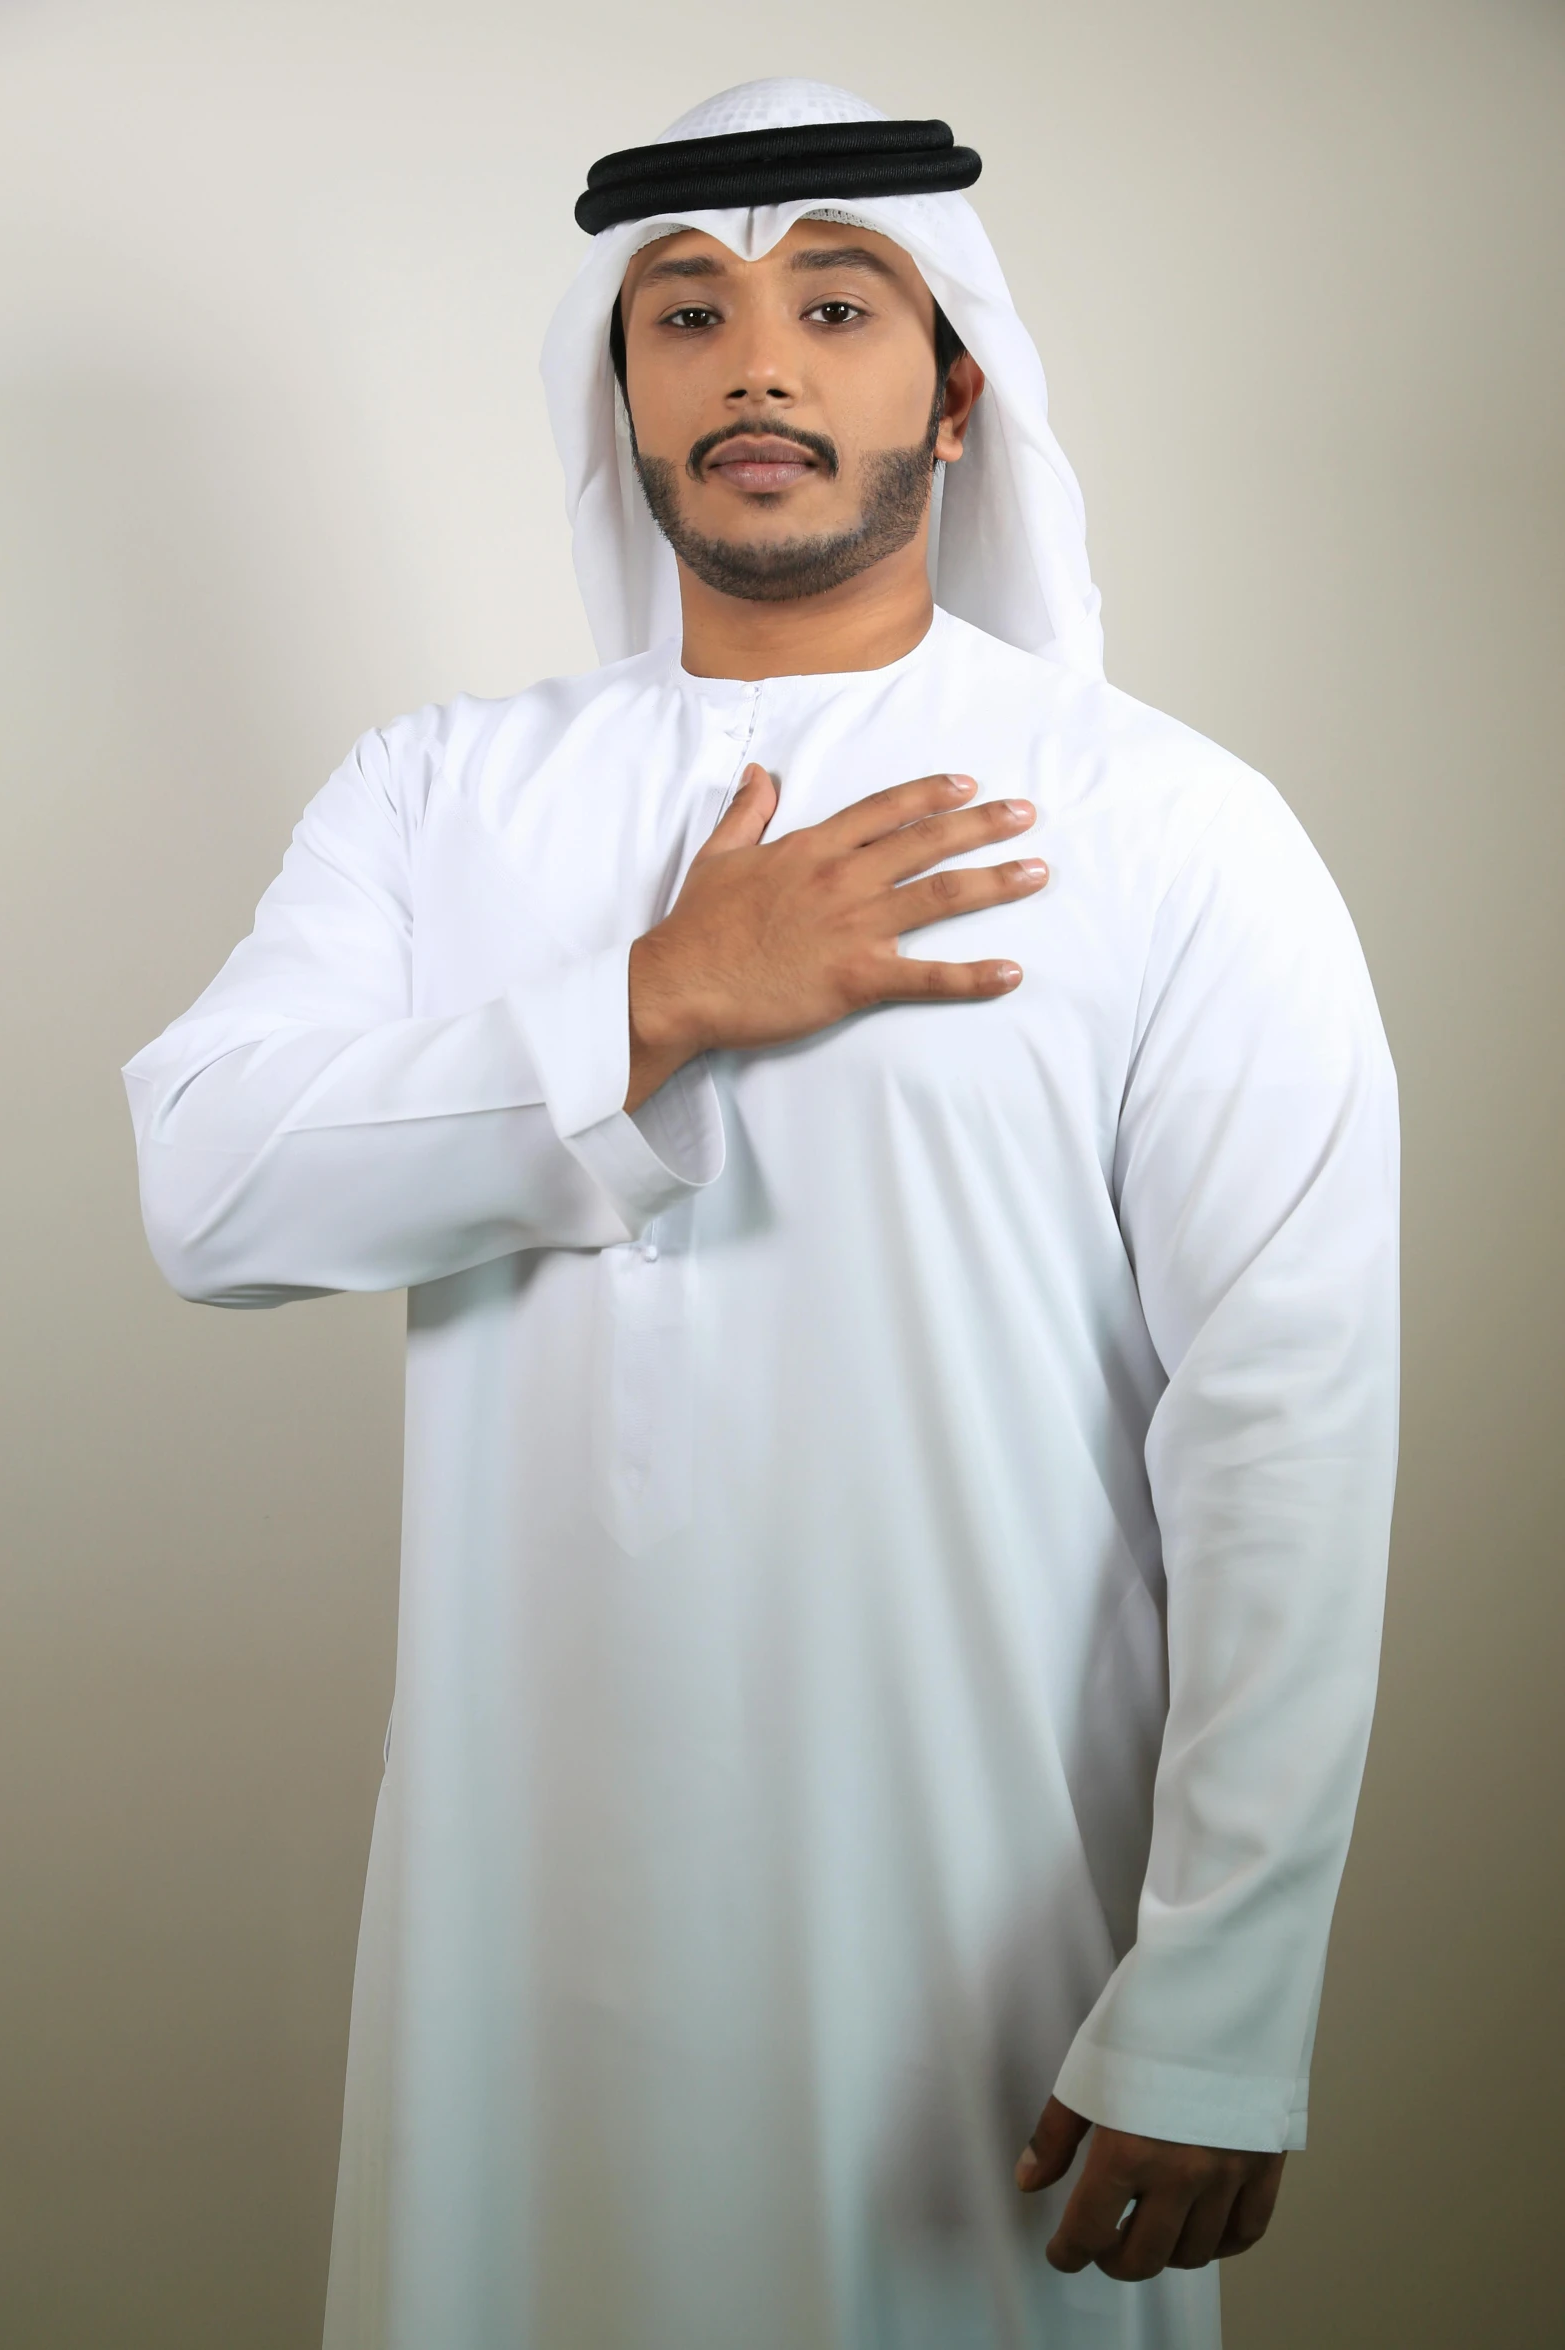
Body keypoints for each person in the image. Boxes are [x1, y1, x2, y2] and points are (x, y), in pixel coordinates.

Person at [124, 76, 1399, 2350]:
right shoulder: (441, 796)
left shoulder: (1170, 828)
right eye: (684, 314)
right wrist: (655, 999)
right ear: (620, 397)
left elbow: (1284, 1422)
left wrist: (1221, 1992)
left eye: (836, 300)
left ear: (958, 380)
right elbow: (212, 1178)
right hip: (522, 1960)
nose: (761, 363)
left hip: (982, 1958)